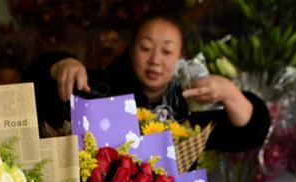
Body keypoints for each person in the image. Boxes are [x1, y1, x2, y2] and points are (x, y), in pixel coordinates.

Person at [24, 11, 271, 152]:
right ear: (131, 50)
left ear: (181, 56)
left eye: (166, 52)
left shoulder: (191, 104)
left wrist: (231, 94)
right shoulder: (99, 90)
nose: (155, 60)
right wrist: (61, 64)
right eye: (145, 48)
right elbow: (35, 87)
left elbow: (249, 134)